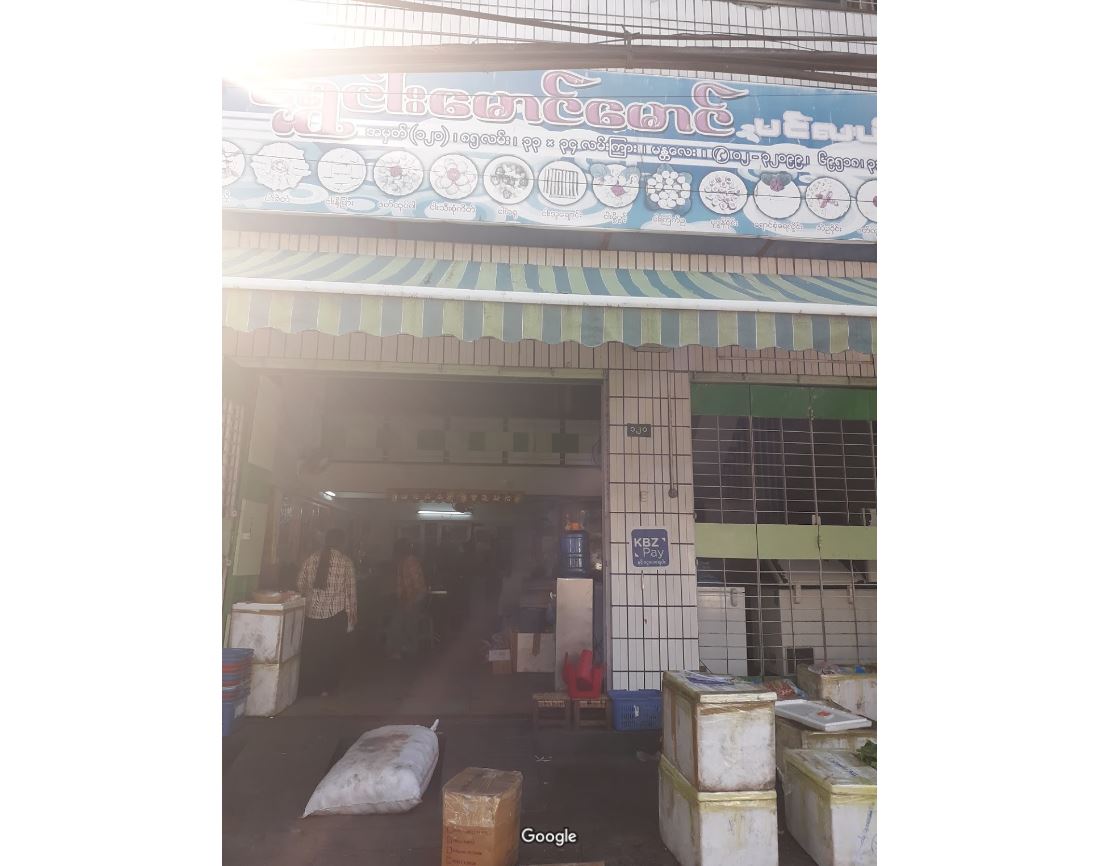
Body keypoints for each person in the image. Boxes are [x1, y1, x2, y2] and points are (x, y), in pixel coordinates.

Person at [296, 528, 357, 696]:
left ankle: (310, 687)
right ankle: (327, 688)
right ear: (342, 542)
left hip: (312, 614)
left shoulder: (312, 558)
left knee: (313, 651)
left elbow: (300, 584)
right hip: (335, 615)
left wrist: (311, 596)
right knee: (331, 653)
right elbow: (350, 593)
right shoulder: (346, 562)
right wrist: (351, 619)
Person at [386, 538, 427, 660]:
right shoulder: (403, 562)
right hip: (408, 597)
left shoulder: (410, 561)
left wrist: (410, 602)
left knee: (407, 624)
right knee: (400, 622)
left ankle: (409, 651)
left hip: (415, 597)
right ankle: (403, 649)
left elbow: (417, 586)